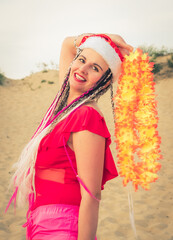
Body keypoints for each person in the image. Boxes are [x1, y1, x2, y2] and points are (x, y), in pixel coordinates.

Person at [6, 33, 133, 240]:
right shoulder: (66, 106)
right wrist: (103, 37)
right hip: (41, 223)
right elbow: (67, 44)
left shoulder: (86, 116)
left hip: (62, 227)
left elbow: (92, 196)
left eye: (95, 68)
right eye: (82, 60)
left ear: (104, 81)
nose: (82, 69)